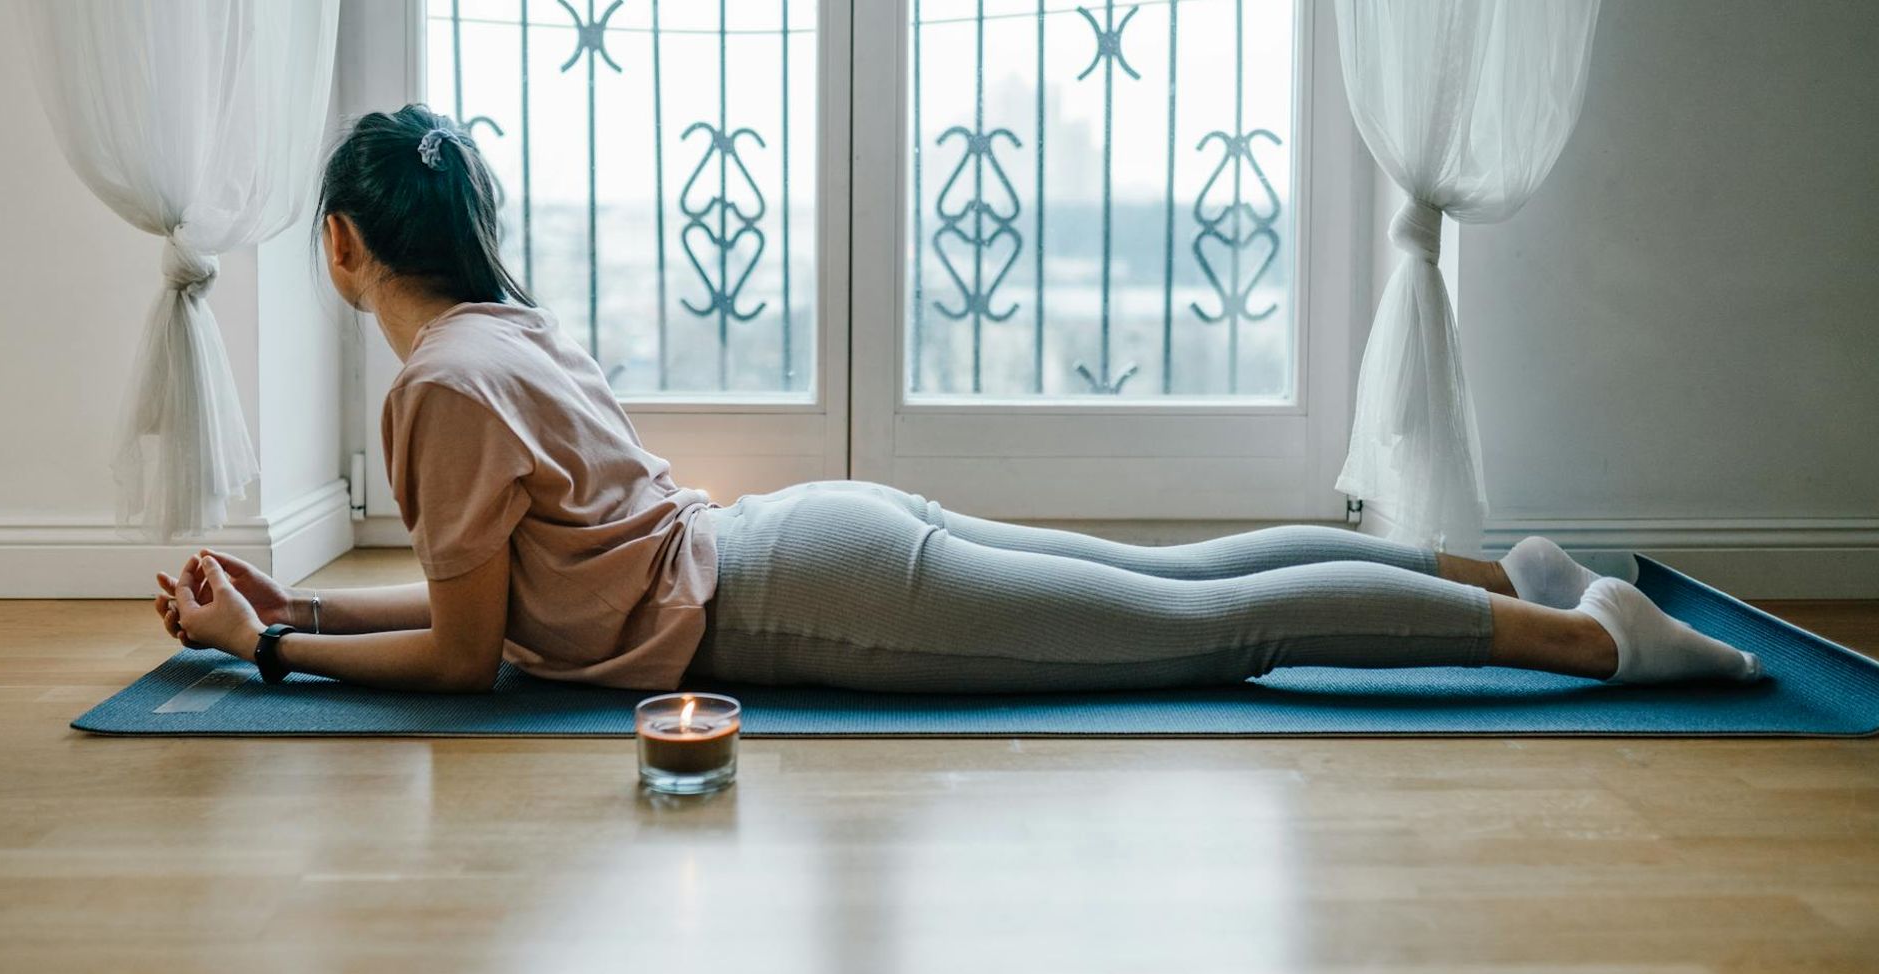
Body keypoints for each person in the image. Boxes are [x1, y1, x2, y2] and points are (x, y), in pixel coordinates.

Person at [154, 106, 1762, 694]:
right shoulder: (507, 335)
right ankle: (1514, 574)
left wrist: (273, 651)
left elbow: (461, 658)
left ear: (347, 246)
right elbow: (479, 609)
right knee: (1188, 574)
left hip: (813, 601)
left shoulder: (439, 385)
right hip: (820, 534)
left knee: (1225, 635)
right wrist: (286, 599)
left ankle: (1587, 640)